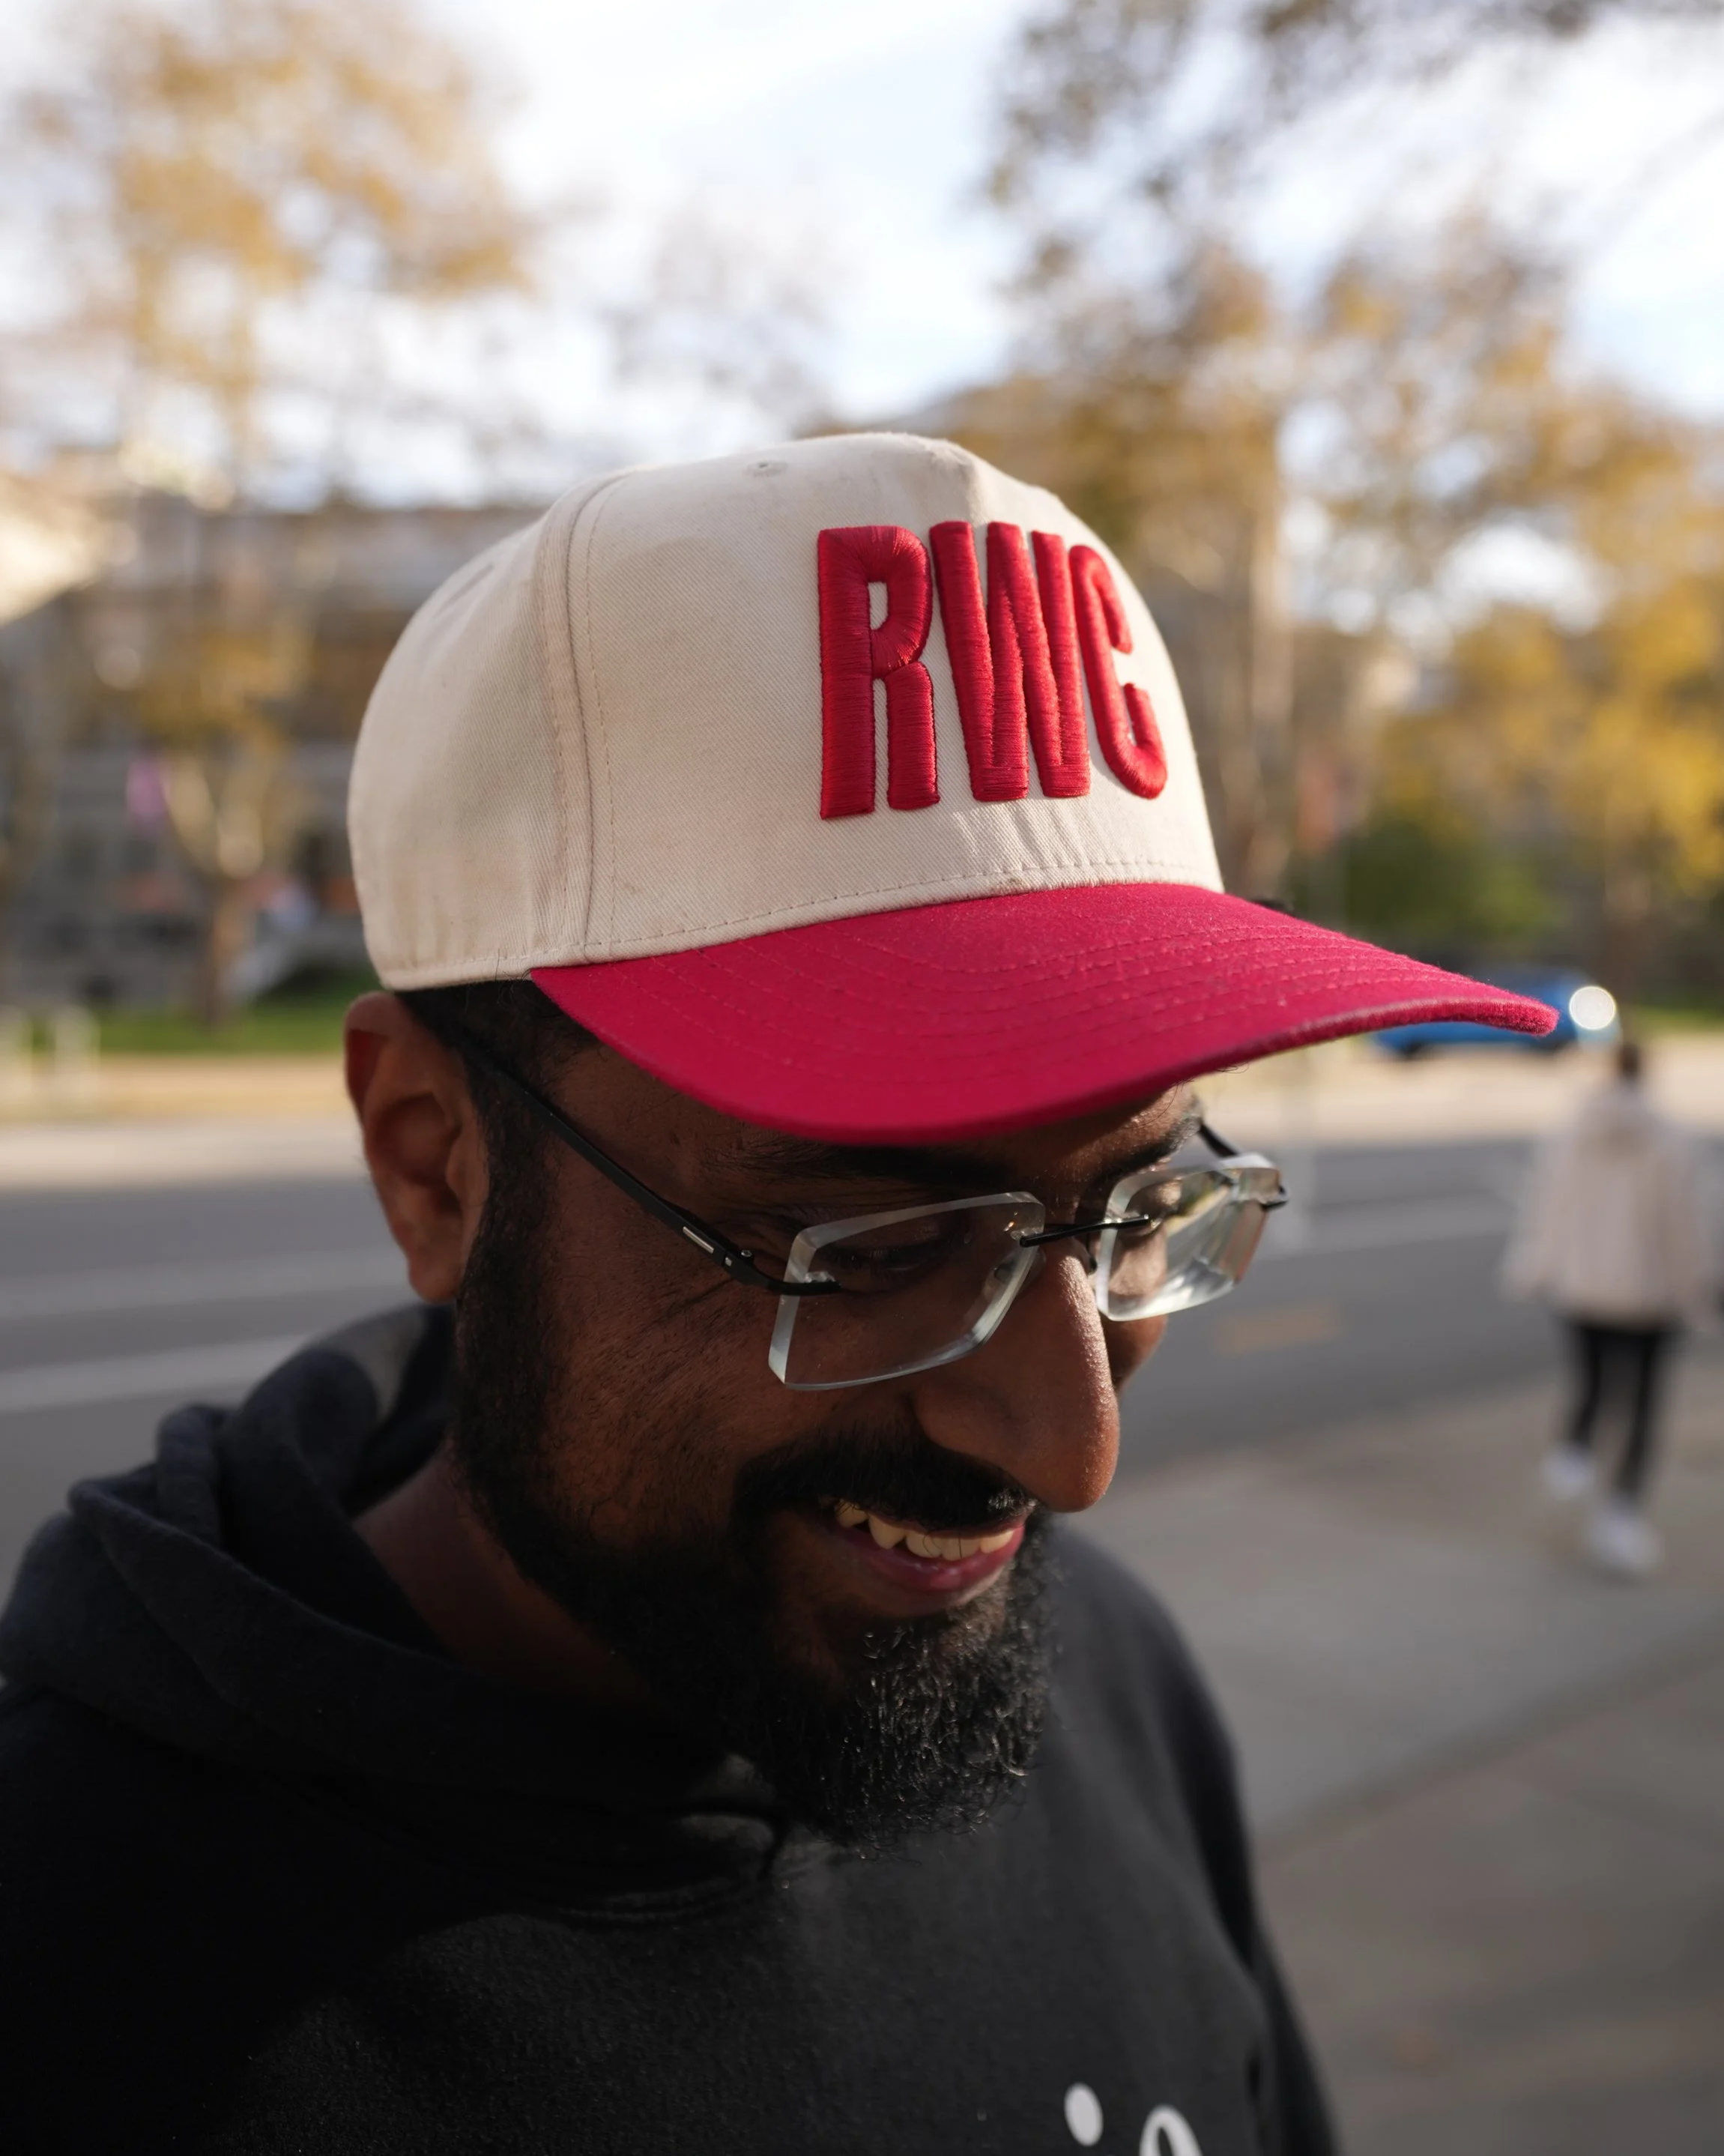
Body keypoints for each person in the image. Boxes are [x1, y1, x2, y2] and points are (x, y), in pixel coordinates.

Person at [0, 435, 1550, 2155]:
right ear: (434, 1162)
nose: (1067, 1452)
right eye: (869, 1247)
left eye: (1136, 1208)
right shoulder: (73, 1969)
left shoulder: (1107, 1682)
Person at [1505, 1036, 1717, 1579]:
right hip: (1648, 1297)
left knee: (1591, 1380)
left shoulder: (1569, 1133)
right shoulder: (1672, 1140)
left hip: (1582, 1289)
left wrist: (1534, 1269)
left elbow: (1547, 1207)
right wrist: (1695, 1293)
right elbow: (1683, 1229)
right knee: (1641, 1406)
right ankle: (1620, 1511)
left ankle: (1574, 1455)